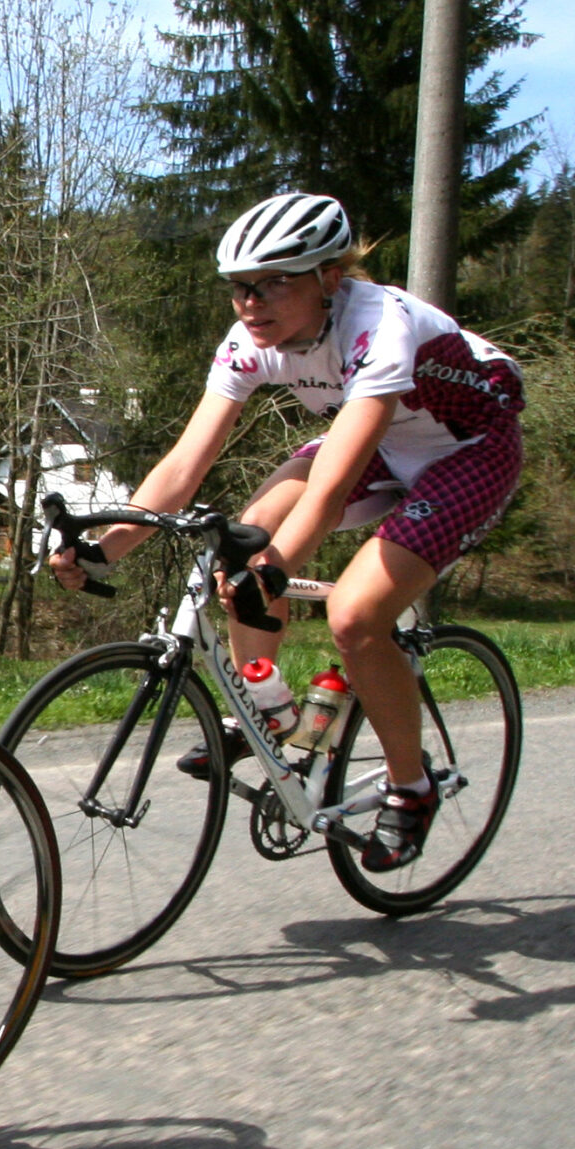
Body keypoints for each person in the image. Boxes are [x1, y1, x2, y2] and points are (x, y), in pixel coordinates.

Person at [49, 191, 524, 870]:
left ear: (329, 277)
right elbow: (185, 463)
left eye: (273, 283)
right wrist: (103, 551)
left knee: (355, 616)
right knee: (243, 540)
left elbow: (328, 492)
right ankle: (267, 715)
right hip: (385, 442)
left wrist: (272, 572)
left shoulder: (377, 324)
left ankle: (411, 788)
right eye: (239, 286)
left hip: (469, 452)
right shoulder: (249, 341)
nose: (250, 303)